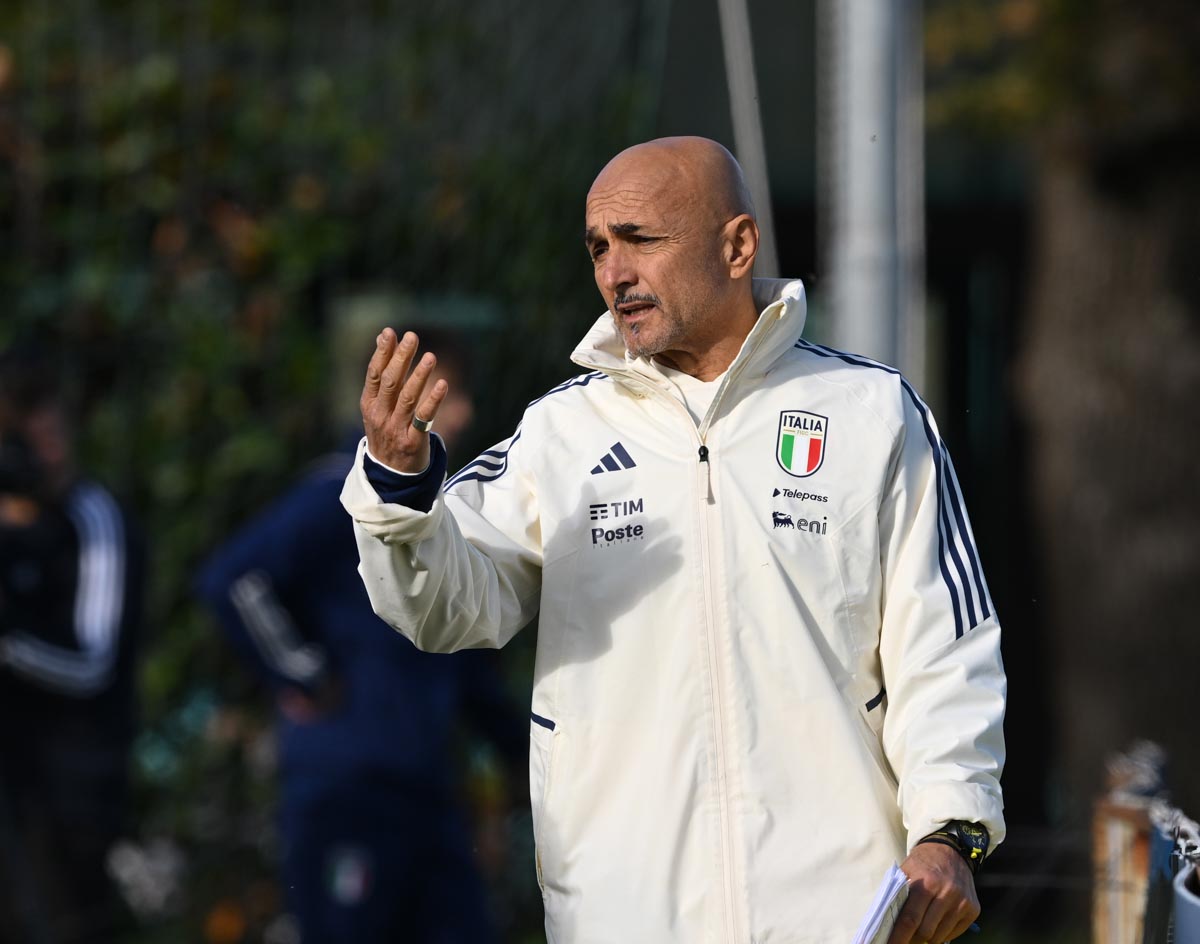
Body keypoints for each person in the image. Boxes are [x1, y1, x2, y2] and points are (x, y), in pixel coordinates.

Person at [340, 137, 1006, 944]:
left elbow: (945, 651)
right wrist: (399, 486)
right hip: (623, 918)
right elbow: (443, 608)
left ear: (737, 245)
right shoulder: (561, 432)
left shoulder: (872, 412)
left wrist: (949, 831)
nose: (614, 272)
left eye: (640, 239)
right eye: (598, 247)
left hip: (839, 918)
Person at [196, 335, 527, 944]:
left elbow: (465, 651)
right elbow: (234, 579)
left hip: (428, 789)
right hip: (347, 787)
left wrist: (519, 755)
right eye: (447, 394)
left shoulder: (457, 506)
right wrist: (302, 672)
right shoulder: (336, 497)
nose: (465, 413)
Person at [0, 350, 143, 943]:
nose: (49, 450)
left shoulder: (93, 518)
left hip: (69, 786)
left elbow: (92, 662)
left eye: (55, 431)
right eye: (31, 437)